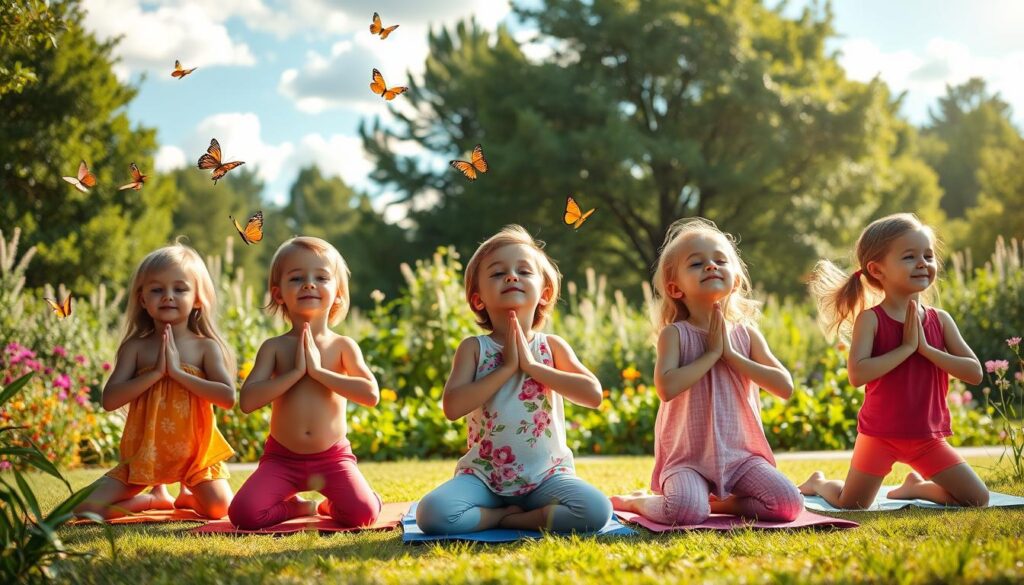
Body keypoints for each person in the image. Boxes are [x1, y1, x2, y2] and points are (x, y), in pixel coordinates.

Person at [416, 225, 612, 534]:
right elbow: (453, 407)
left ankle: (514, 519)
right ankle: (495, 515)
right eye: (497, 273)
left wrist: (533, 366)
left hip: (548, 477)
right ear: (478, 299)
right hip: (483, 479)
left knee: (596, 511)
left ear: (544, 293)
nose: (511, 276)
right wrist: (506, 368)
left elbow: (593, 395)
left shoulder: (552, 347)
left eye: (523, 271)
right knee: (432, 515)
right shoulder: (473, 349)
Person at [611, 217, 802, 525]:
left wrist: (730, 355)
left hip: (742, 457)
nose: (711, 266)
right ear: (675, 288)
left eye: (720, 260)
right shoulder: (674, 334)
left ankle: (720, 505)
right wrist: (712, 354)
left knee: (787, 504)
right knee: (686, 512)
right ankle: (640, 503)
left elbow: (784, 386)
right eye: (697, 263)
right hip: (688, 460)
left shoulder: (747, 335)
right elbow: (667, 387)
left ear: (735, 280)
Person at [798, 213, 989, 508]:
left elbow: (974, 373)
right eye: (910, 257)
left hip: (927, 437)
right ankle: (819, 483)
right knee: (852, 505)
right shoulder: (871, 320)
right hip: (879, 436)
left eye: (928, 255)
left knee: (977, 498)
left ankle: (916, 487)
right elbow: (857, 374)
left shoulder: (941, 320)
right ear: (877, 269)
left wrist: (926, 350)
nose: (923, 263)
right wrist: (906, 348)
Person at [228, 236, 382, 529]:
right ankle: (298, 507)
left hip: (332, 460)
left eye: (321, 277)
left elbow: (371, 394)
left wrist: (320, 372)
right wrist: (294, 373)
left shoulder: (343, 346)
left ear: (337, 292)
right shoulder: (274, 347)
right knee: (244, 515)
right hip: (282, 460)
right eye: (297, 278)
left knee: (362, 515)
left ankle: (333, 504)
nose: (309, 284)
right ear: (278, 293)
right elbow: (248, 401)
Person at [76, 243, 235, 519]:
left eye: (180, 289)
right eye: (157, 290)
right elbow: (110, 400)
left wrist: (178, 374)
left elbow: (227, 397)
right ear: (142, 300)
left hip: (194, 459)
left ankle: (188, 496)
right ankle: (151, 499)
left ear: (197, 298)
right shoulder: (136, 348)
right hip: (142, 458)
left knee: (219, 508)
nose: (168, 297)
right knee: (84, 509)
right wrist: (155, 374)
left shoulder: (205, 347)